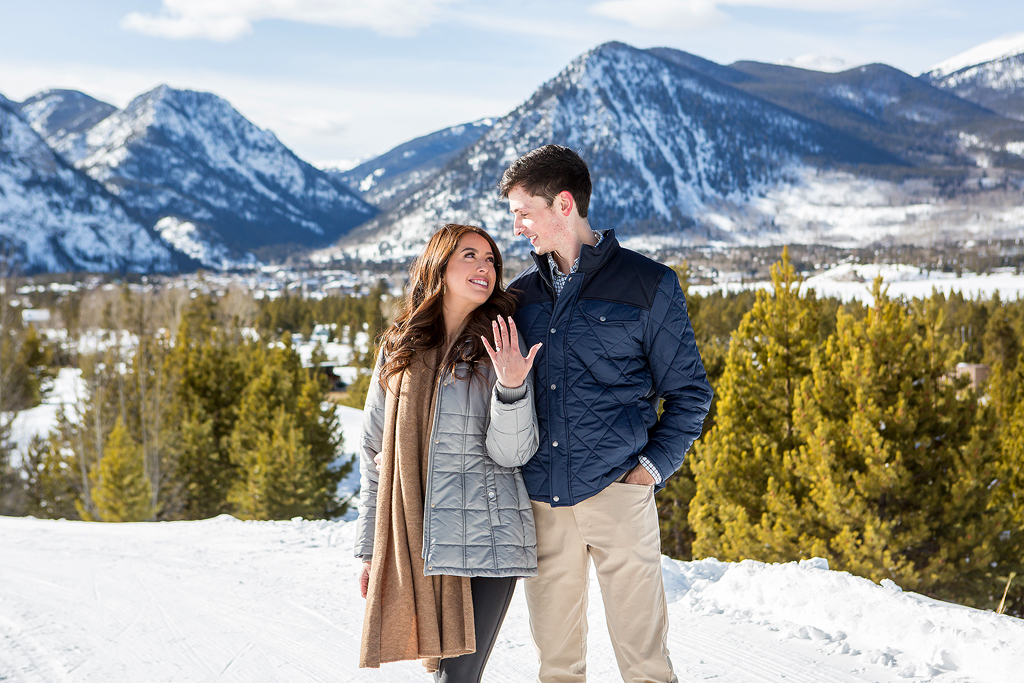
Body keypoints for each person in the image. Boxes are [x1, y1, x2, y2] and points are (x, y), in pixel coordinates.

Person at [499, 145, 714, 683]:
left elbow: (690, 392)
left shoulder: (649, 284)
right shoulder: (519, 297)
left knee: (645, 662)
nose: (519, 226)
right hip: (543, 499)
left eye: (525, 212)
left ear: (563, 204)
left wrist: (650, 470)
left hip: (618, 492)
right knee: (557, 663)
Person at [354, 223, 543, 683]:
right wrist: (367, 549)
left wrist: (513, 386)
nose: (485, 268)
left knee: (456, 678)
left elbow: (513, 453)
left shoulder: (500, 344)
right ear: (439, 265)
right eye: (470, 256)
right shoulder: (398, 348)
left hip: (488, 537)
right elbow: (375, 453)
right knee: (445, 675)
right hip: (419, 538)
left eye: (491, 260)